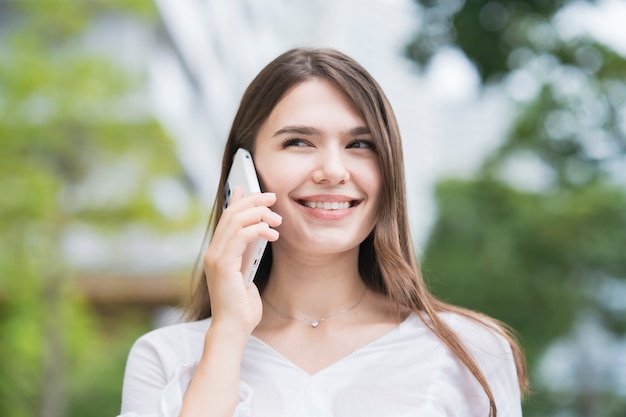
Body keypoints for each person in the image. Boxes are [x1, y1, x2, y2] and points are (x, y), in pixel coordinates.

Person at [118, 47, 528, 417]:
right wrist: (227, 332)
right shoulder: (167, 359)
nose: (332, 171)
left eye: (360, 145)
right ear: (245, 171)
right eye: (299, 142)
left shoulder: (470, 351)